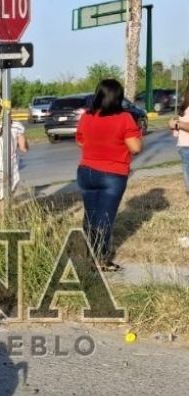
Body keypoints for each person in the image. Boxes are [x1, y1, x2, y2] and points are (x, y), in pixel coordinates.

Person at [75, 79, 143, 272]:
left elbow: (80, 142)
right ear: (118, 97)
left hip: (86, 171)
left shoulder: (87, 116)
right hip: (112, 174)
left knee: (91, 216)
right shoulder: (124, 118)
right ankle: (100, 260)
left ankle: (88, 255)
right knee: (104, 219)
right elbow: (135, 147)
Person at [169, 83, 189, 194]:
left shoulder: (183, 109)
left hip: (183, 146)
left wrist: (176, 124)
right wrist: (175, 124)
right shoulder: (184, 109)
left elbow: (176, 131)